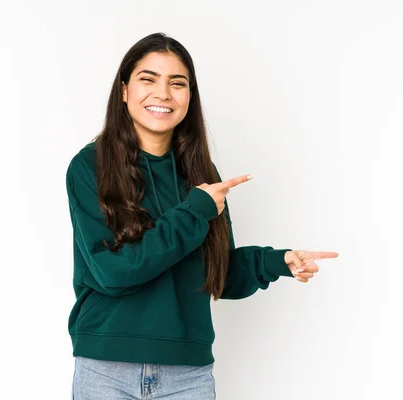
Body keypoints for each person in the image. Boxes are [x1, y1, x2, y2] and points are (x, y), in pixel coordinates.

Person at [66, 32, 338, 399]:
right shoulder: (90, 166)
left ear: (189, 97)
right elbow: (114, 272)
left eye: (177, 83)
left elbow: (218, 276)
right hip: (107, 370)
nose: (163, 93)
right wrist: (195, 210)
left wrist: (277, 262)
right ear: (125, 89)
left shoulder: (200, 174)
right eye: (148, 79)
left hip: (187, 376)